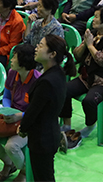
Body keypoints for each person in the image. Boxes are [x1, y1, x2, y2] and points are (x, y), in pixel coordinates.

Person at [62, 5, 103, 149]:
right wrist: (85, 43)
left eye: (96, 17)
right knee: (63, 90)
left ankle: (90, 125)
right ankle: (66, 125)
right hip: (88, 77)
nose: (93, 19)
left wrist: (90, 45)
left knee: (89, 101)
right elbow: (77, 56)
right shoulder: (92, 34)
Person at [0, 43, 39, 182]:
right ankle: (8, 163)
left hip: (29, 121)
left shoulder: (38, 81)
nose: (11, 60)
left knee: (11, 146)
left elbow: (38, 110)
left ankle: (24, 171)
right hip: (11, 116)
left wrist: (19, 115)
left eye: (14, 57)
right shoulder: (12, 73)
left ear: (23, 63)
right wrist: (7, 111)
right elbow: (6, 96)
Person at [19, 35, 72, 182]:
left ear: (52, 54)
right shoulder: (58, 73)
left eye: (41, 46)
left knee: (44, 178)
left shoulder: (47, 82)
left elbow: (34, 111)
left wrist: (22, 128)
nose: (36, 48)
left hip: (42, 138)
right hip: (49, 133)